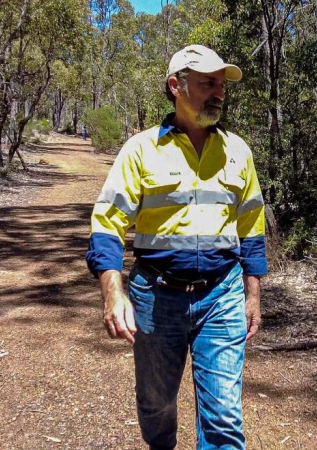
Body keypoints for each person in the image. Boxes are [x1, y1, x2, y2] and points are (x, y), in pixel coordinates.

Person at [86, 44, 266, 449]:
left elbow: (252, 227)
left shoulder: (237, 151)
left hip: (222, 294)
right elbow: (107, 224)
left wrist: (252, 294)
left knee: (223, 417)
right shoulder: (141, 150)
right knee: (157, 406)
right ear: (175, 85)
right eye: (207, 84)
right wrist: (113, 294)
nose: (218, 92)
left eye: (221, 84)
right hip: (156, 296)